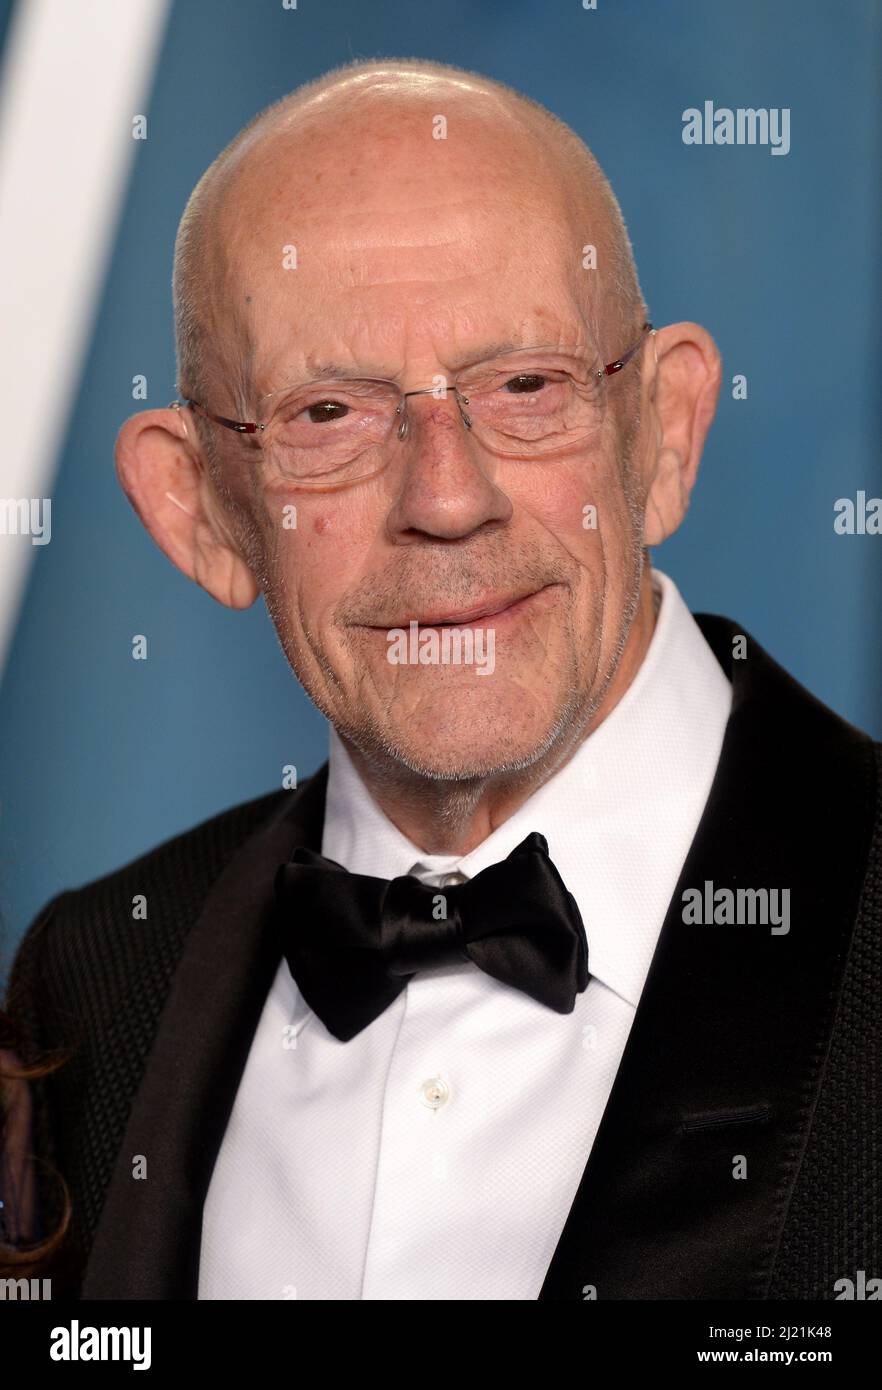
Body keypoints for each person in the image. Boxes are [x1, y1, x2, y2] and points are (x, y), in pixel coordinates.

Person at [5, 57, 880, 1301]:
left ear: (665, 437)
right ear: (201, 509)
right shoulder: (91, 983)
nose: (445, 499)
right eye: (328, 416)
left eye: (525, 386)